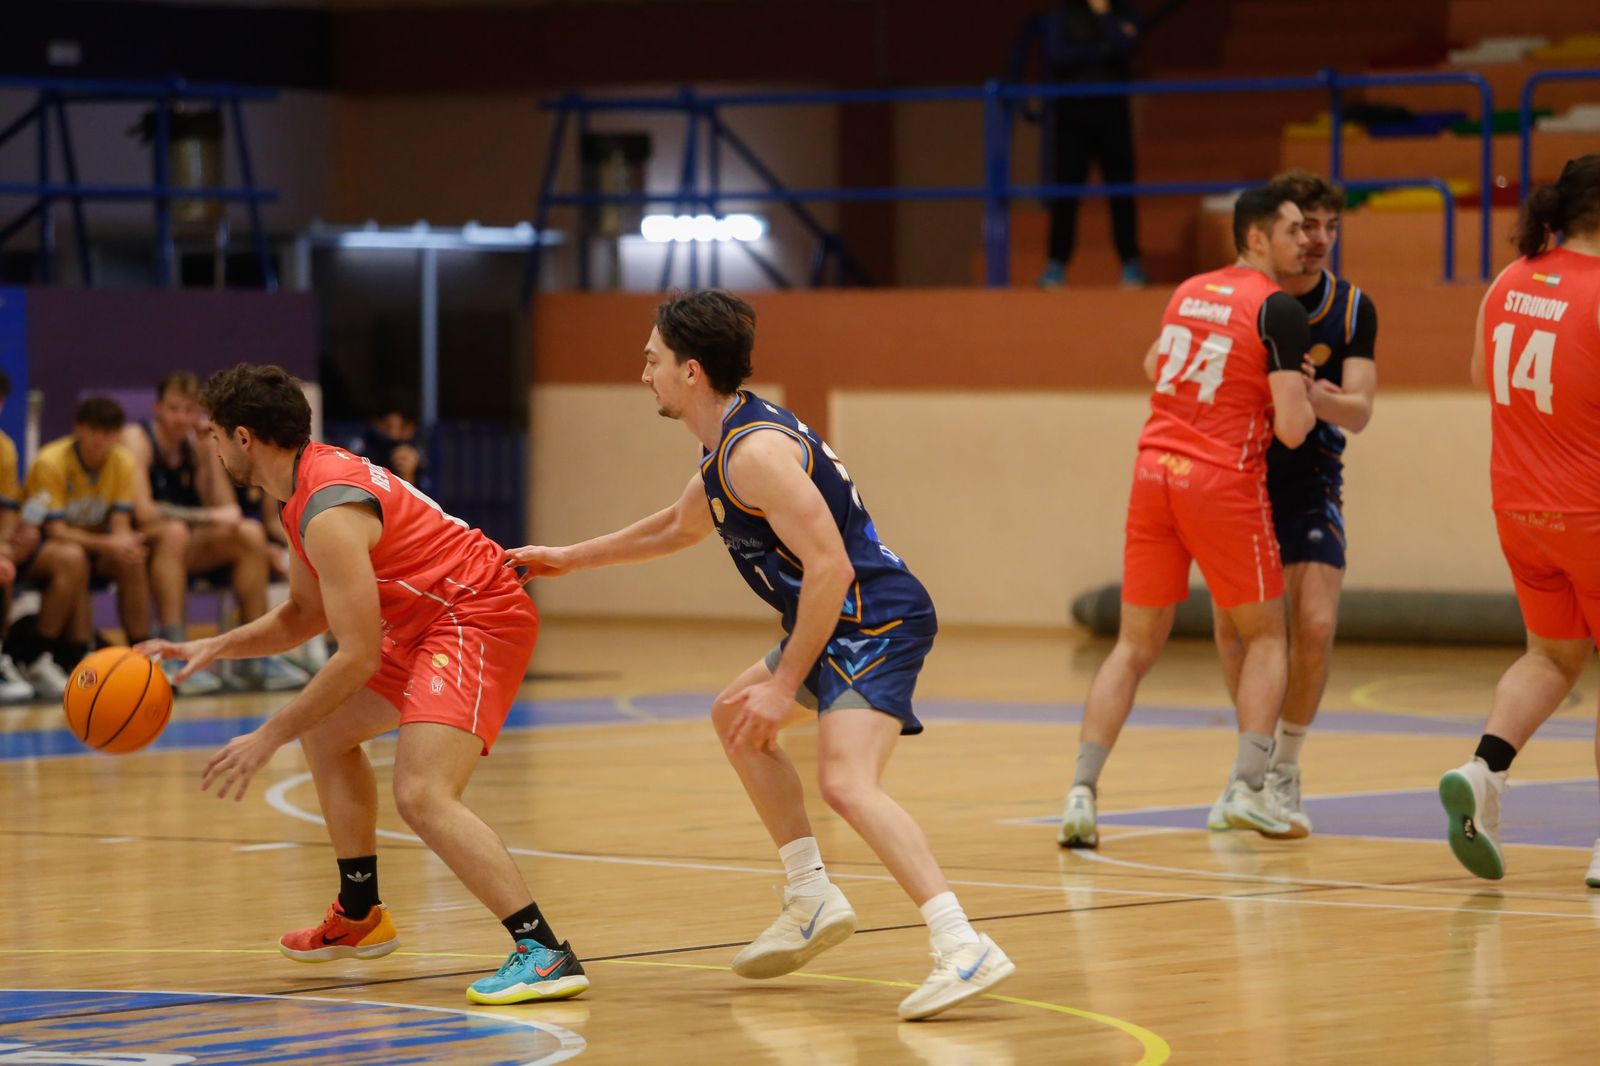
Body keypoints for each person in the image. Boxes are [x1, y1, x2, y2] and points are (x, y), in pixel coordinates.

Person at [505, 290, 1014, 1021]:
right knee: (734, 719)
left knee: (847, 783)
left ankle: (962, 944)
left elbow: (832, 567)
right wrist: (565, 558)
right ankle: (810, 896)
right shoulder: (724, 448)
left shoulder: (756, 454)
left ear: (690, 370)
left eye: (652, 359)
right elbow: (676, 528)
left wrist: (784, 685)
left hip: (874, 620)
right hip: (836, 619)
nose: (643, 373)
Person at [137, 364, 587, 1006]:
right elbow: (304, 614)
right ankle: (360, 913)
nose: (210, 447)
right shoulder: (298, 493)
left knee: (423, 793)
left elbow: (356, 658)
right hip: (426, 619)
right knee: (326, 733)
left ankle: (543, 951)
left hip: (474, 613)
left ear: (243, 437)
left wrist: (266, 736)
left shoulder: (327, 510)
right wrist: (216, 644)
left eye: (213, 435)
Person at [1057, 185, 1315, 848]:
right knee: (1267, 636)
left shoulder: (1189, 291)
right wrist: (1303, 391)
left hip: (1154, 472)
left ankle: (1081, 793)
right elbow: (1292, 430)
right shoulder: (1279, 308)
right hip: (1220, 481)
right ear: (1256, 237)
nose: (1307, 241)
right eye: (1292, 230)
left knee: (1133, 646)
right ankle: (1248, 788)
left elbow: (1155, 364)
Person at [1437, 154, 1600, 885]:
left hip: (1520, 507)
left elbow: (1483, 375)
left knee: (1551, 658)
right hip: (1590, 508)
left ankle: (1485, 770)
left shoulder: (1509, 279)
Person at [1210, 171, 1378, 837]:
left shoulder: (1352, 307)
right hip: (1236, 477)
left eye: (1331, 228)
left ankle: (1285, 767)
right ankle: (1248, 766)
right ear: (1273, 233)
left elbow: (1359, 410)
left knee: (1313, 625)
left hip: (1308, 480)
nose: (1319, 239)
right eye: (1306, 227)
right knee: (1237, 633)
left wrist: (1311, 395)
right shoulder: (1235, 295)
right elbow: (1160, 360)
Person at [121, 371, 304, 694]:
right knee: (174, 532)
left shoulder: (196, 444)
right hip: (138, 547)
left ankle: (255, 654)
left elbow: (226, 510)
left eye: (188, 410)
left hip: (183, 546)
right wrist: (207, 516)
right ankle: (173, 651)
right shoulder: (137, 438)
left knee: (248, 532)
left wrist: (208, 455)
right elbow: (143, 512)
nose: (181, 419)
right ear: (157, 408)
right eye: (173, 409)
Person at [1010, 0, 1147, 288]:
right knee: (1065, 195)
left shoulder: (1122, 13)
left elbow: (1126, 47)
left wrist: (1103, 21)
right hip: (1072, 118)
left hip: (1113, 116)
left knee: (1122, 193)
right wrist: (1103, 49)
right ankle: (1056, 265)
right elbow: (1059, 56)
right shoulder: (1061, 17)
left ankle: (1131, 264)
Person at [22, 398, 149, 670]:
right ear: (78, 429)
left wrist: (125, 545)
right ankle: (38, 656)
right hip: (42, 547)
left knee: (131, 560)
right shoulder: (50, 461)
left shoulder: (123, 461)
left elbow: (120, 524)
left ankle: (144, 654)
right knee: (73, 557)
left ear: (117, 435)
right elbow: (55, 531)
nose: (100, 440)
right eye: (94, 431)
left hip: (92, 546)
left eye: (108, 433)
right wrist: (110, 543)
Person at [0, 370, 44, 700]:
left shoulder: (4, 448)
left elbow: (7, 512)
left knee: (3, 567)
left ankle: (8, 657)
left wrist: (4, 546)